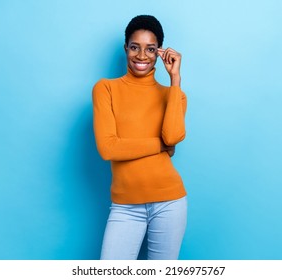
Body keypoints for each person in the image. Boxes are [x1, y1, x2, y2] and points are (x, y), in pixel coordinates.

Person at [92, 15, 187, 260]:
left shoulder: (174, 95)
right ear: (126, 49)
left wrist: (175, 79)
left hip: (170, 202)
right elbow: (108, 148)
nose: (142, 56)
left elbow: (174, 136)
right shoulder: (106, 89)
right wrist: (161, 145)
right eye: (135, 47)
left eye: (150, 49)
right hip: (125, 207)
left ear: (160, 53)